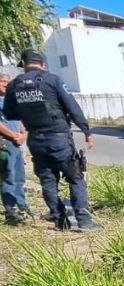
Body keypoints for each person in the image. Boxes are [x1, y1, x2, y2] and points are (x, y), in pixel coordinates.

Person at [2, 49, 100, 231]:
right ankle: (84, 220)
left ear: (23, 64)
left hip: (36, 141)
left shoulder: (13, 85)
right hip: (59, 139)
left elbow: (9, 113)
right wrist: (86, 131)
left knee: (47, 180)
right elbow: (72, 106)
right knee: (75, 177)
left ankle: (60, 220)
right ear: (43, 65)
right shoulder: (52, 80)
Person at [0, 72, 31, 226]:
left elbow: (21, 121)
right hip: (5, 143)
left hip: (17, 143)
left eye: (7, 82)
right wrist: (13, 135)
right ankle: (10, 210)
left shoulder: (11, 101)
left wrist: (23, 134)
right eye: (2, 81)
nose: (6, 84)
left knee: (19, 177)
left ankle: (22, 206)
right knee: (9, 177)